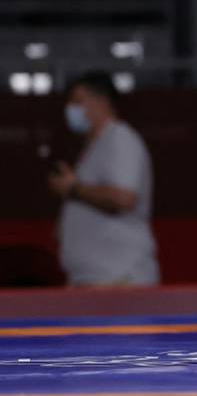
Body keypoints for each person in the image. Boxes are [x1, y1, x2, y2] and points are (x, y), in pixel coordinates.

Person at [49, 72, 159, 287]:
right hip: (94, 279)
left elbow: (123, 198)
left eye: (78, 101)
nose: (71, 108)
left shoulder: (119, 138)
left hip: (119, 278)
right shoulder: (96, 146)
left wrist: (73, 189)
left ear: (101, 101)